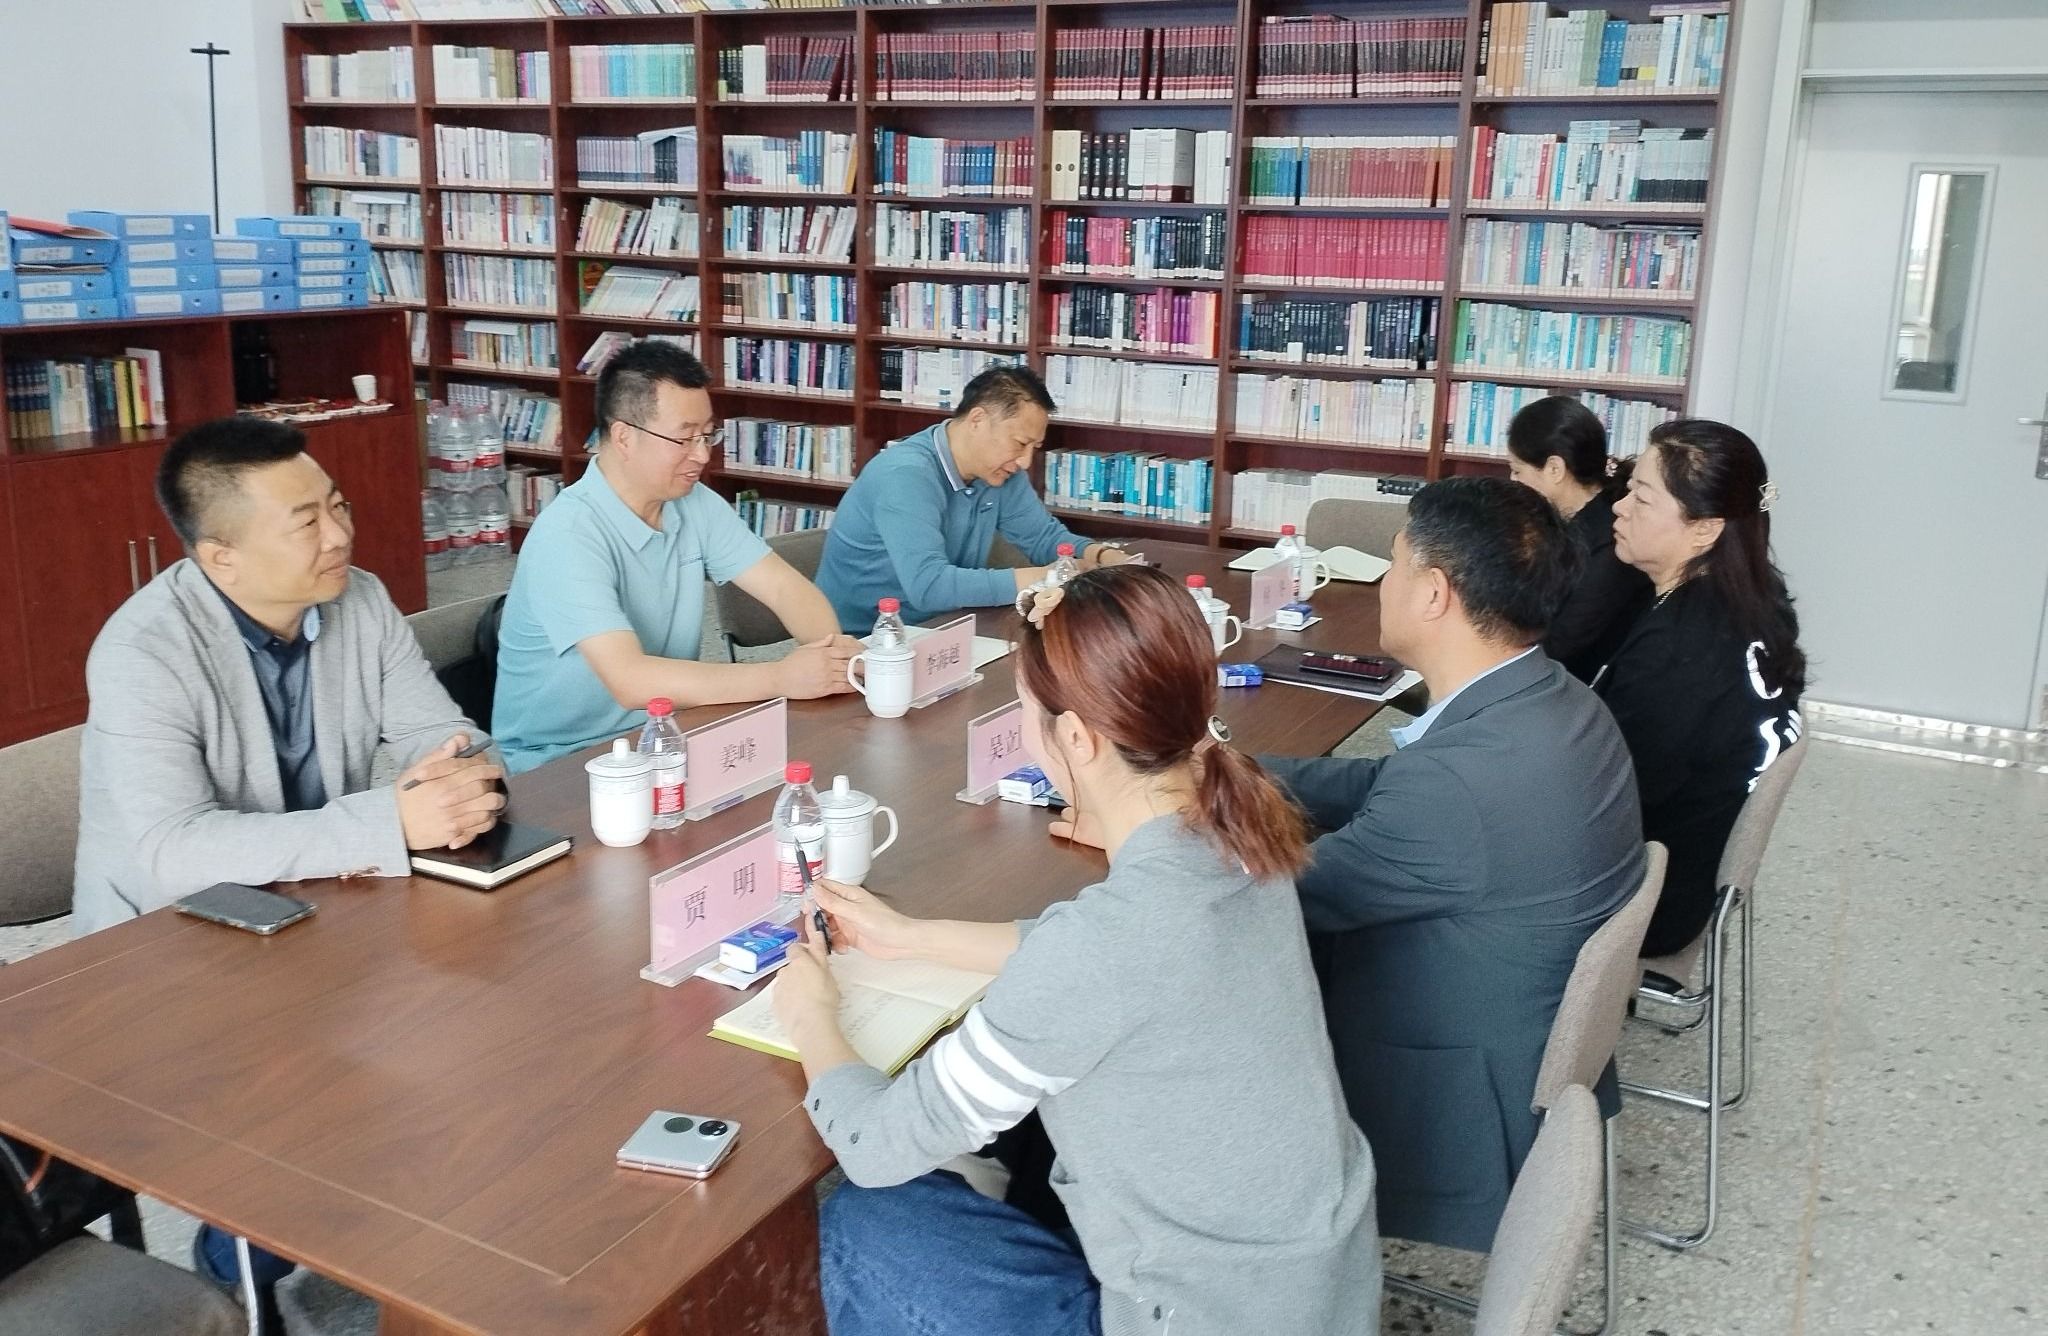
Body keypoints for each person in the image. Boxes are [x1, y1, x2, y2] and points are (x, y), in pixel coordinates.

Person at [772, 565, 1381, 1336]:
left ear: (1075, 738)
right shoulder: (1242, 839)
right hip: (1310, 1293)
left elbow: (874, 1141)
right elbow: (1108, 964)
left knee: (868, 1222)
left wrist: (811, 1018)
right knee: (1017, 1152)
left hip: (1188, 1316)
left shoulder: (1103, 948)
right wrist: (914, 937)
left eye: (1026, 712)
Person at [72, 416, 504, 1329]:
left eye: (337, 505)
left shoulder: (361, 599)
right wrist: (388, 819)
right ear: (220, 558)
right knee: (293, 1098)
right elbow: (174, 851)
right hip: (169, 954)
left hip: (321, 906)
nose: (340, 534)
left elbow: (438, 730)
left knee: (479, 1027)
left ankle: (419, 1245)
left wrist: (459, 773)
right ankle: (245, 1273)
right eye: (305, 521)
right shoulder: (142, 651)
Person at [1257, 477, 1646, 1253]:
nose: (1384, 583)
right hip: (1518, 1042)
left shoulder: (1457, 786)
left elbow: (1274, 898)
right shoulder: (1557, 702)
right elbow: (1390, 786)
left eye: (1394, 564)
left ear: (1434, 594)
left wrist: (1143, 818)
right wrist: (1232, 775)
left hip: (1452, 1106)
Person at [492, 342, 861, 772]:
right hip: (562, 761)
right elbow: (630, 681)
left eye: (707, 435)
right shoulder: (568, 535)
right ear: (624, 437)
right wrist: (781, 677)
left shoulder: (693, 502)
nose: (702, 455)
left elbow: (783, 588)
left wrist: (831, 656)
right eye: (684, 438)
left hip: (666, 733)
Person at [1602, 418, 1805, 958]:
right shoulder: (1760, 596)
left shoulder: (1681, 649)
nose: (1619, 507)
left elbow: (1611, 796)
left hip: (1645, 897)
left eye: (1641, 498)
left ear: (1705, 529)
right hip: (1688, 865)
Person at [814, 364, 1135, 632]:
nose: (1025, 462)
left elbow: (1042, 537)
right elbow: (929, 586)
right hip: (865, 641)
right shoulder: (906, 476)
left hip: (944, 626)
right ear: (977, 421)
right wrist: (1046, 577)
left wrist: (1101, 555)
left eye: (1034, 448)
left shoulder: (998, 471)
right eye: (1020, 443)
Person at [1505, 395, 1653, 680]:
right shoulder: (1561, 520)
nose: (1513, 480)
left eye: (1517, 470)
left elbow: (1561, 645)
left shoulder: (1614, 544)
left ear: (1555, 469)